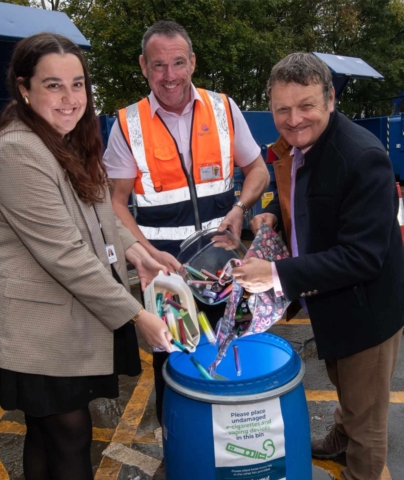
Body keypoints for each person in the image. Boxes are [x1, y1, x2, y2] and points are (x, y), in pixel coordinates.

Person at [0, 33, 173, 480]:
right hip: (30, 329)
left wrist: (139, 252)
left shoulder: (69, 137)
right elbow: (66, 255)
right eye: (53, 85)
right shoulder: (20, 150)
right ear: (24, 87)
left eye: (77, 84)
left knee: (50, 432)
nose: (70, 97)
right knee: (69, 434)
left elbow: (101, 213)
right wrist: (139, 316)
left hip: (58, 321)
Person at [232, 53, 404, 480]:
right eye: (282, 109)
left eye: (306, 105)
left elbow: (362, 257)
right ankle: (340, 439)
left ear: (330, 100)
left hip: (367, 311)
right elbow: (301, 199)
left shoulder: (362, 157)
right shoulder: (297, 145)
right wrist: (273, 215)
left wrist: (273, 274)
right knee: (344, 386)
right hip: (330, 302)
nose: (293, 120)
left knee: (367, 416)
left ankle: (360, 469)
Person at [103, 20, 270, 425]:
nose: (170, 75)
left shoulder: (224, 108)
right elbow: (114, 203)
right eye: (158, 65)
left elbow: (259, 171)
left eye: (178, 62)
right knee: (174, 377)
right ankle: (181, 456)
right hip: (169, 281)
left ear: (193, 62)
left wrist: (239, 208)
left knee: (236, 363)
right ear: (143, 66)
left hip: (228, 273)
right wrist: (145, 252)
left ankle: (235, 451)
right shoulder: (128, 124)